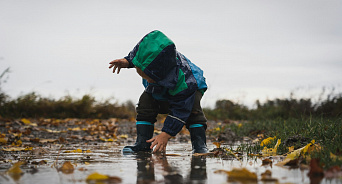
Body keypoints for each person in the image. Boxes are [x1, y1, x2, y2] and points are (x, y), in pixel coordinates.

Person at [109, 30, 208, 154]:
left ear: (161, 72)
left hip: (191, 88)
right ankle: (142, 143)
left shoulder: (184, 83)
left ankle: (199, 146)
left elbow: (180, 109)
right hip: (161, 85)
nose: (148, 81)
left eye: (150, 77)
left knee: (193, 112)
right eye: (144, 76)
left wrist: (166, 134)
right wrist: (128, 61)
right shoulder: (147, 61)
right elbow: (140, 56)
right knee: (145, 103)